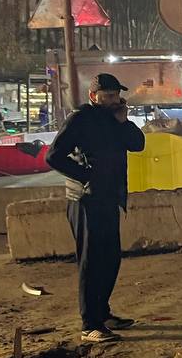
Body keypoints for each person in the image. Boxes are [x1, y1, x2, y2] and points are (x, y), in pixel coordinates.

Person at [47, 73, 146, 344]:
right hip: (85, 201)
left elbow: (138, 145)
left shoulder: (116, 120)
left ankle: (103, 313)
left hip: (109, 198)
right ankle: (89, 324)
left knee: (110, 258)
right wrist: (85, 175)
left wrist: (123, 121)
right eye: (108, 96)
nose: (114, 100)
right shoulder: (80, 119)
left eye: (116, 95)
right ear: (94, 96)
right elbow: (53, 156)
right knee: (91, 263)